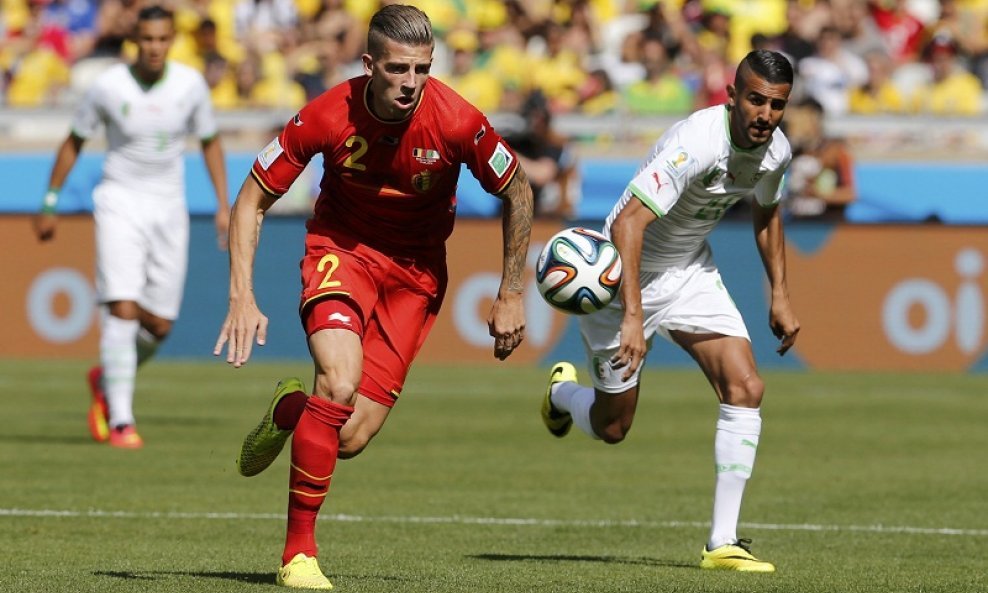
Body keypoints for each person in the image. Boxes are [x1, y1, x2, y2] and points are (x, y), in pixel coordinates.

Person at [213, 5, 533, 589]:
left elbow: (517, 187)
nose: (411, 83)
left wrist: (514, 290)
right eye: (397, 69)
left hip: (416, 276)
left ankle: (290, 411)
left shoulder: (458, 121)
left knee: (350, 435)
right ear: (369, 65)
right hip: (344, 251)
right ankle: (298, 556)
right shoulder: (326, 113)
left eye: (422, 69)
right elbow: (253, 195)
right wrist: (242, 295)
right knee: (338, 381)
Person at [541, 49, 800, 573]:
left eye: (776, 105)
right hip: (623, 279)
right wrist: (633, 315)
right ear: (731, 96)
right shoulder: (695, 143)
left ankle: (722, 543)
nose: (764, 115)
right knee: (614, 428)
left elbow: (767, 213)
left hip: (689, 273)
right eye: (755, 100)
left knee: (746, 387)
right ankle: (562, 395)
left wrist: (779, 291)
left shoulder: (776, 152)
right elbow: (628, 224)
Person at [32, 5, 229, 449]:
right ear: (134, 41)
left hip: (169, 208)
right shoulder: (107, 87)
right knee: (121, 306)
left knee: (159, 324)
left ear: (172, 40)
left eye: (162, 39)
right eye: (147, 40)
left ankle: (106, 377)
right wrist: (50, 201)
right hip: (119, 200)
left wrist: (222, 204)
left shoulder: (190, 86)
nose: (154, 47)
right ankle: (121, 419)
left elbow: (211, 141)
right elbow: (73, 141)